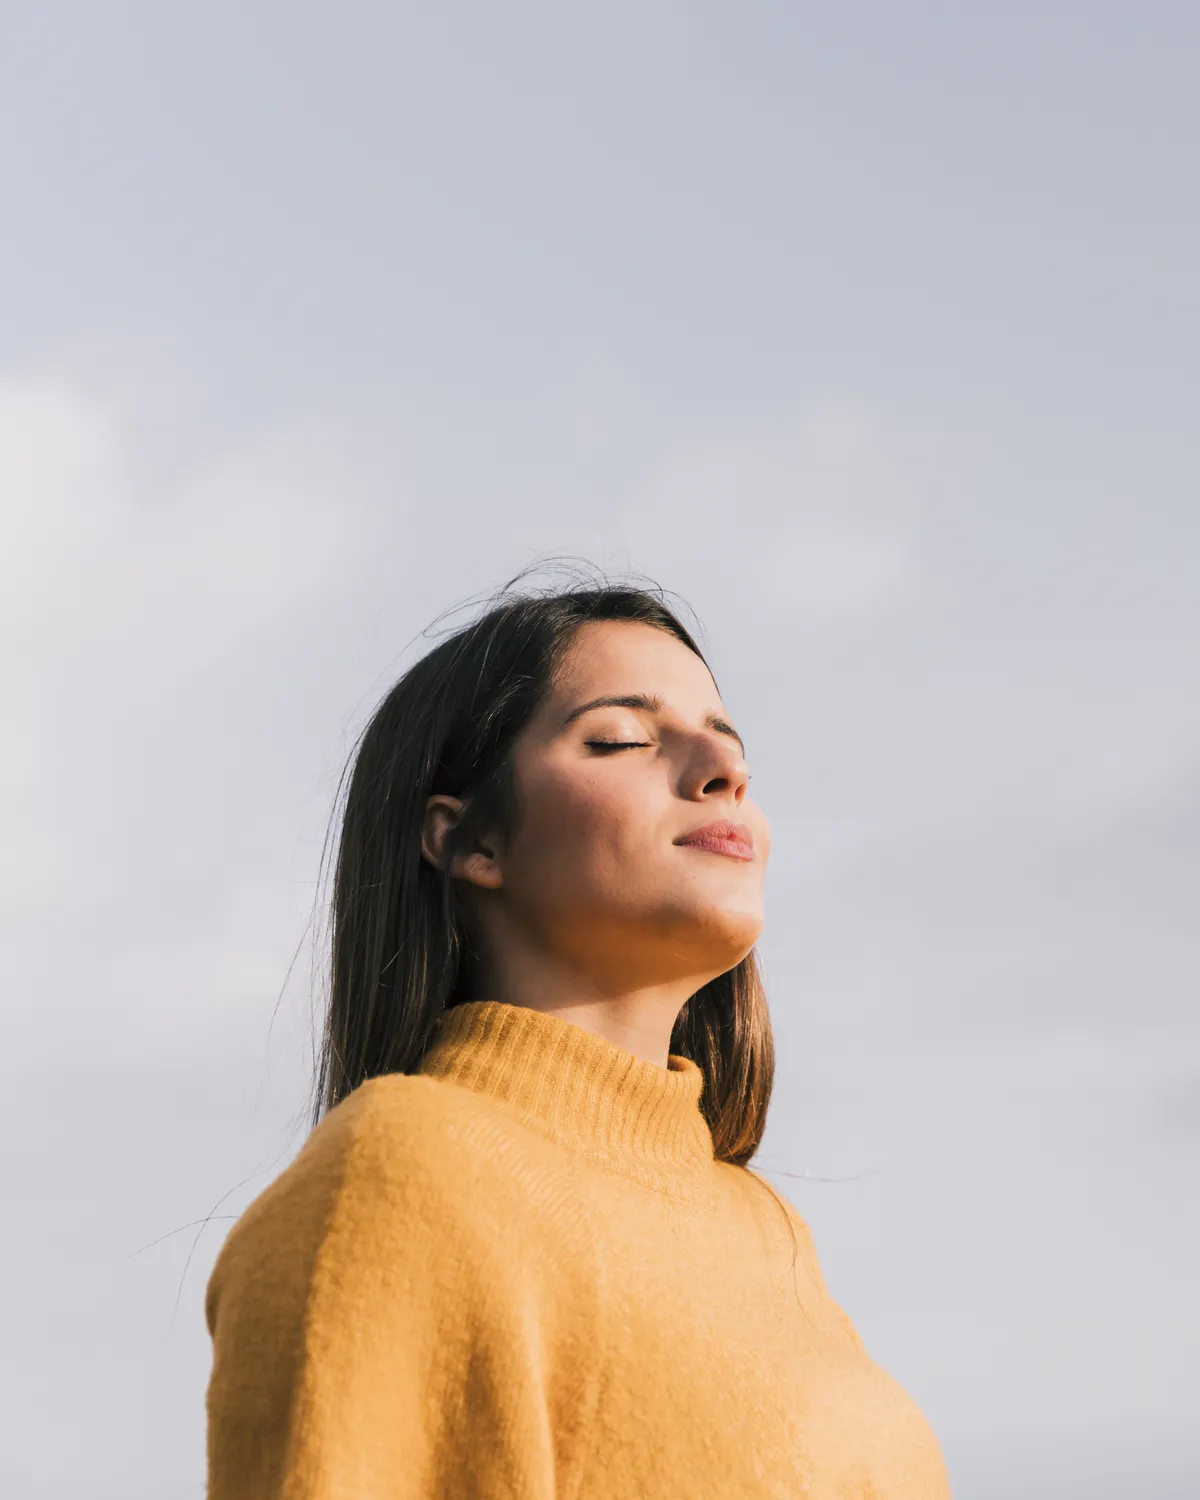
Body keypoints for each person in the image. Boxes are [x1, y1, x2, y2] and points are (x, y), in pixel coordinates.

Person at [204, 578, 952, 1498]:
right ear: (471, 842)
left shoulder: (763, 1229)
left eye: (730, 743)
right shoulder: (403, 1171)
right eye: (623, 739)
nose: (723, 766)